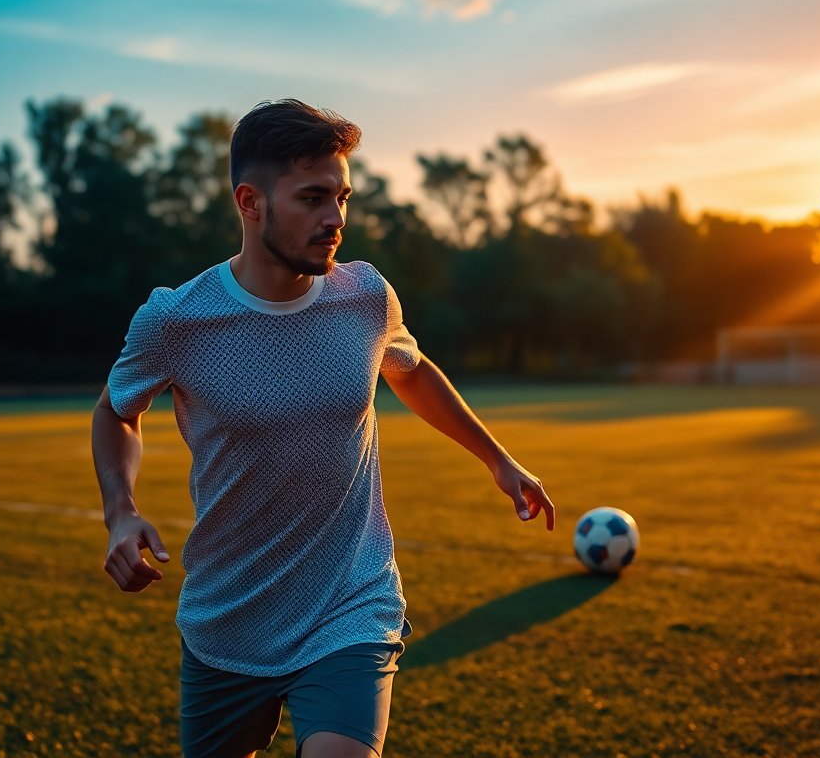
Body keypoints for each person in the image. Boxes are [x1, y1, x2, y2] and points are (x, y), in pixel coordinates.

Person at [92, 98, 555, 758]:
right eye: (313, 198)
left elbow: (412, 371)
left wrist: (498, 458)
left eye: (342, 198)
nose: (335, 219)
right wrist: (121, 511)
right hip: (229, 617)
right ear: (251, 203)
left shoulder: (365, 297)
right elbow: (116, 410)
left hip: (351, 605)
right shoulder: (175, 321)